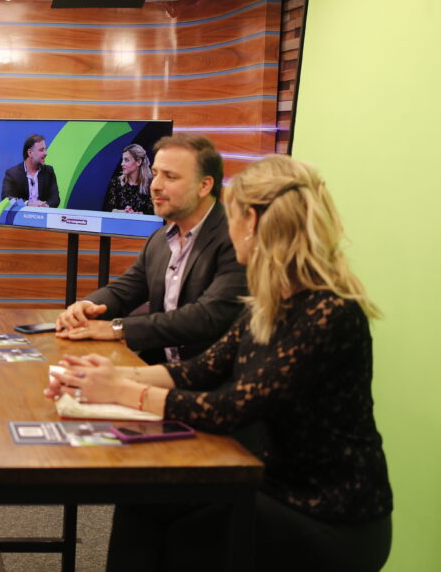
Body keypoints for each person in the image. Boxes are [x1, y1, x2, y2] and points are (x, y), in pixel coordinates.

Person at [47, 155, 392, 572]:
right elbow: (200, 370)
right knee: (143, 502)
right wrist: (98, 378)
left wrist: (123, 392)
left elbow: (230, 407)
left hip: (329, 513)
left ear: (251, 221)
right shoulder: (270, 303)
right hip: (271, 485)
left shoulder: (329, 313)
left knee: (191, 538)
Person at [56, 134, 246, 364]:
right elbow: (123, 292)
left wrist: (118, 328)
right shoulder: (159, 239)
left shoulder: (237, 238)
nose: (155, 185)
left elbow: (206, 317)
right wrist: (85, 307)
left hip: (211, 376)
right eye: (155, 174)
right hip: (156, 367)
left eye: (170, 177)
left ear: (204, 185)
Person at [0, 134, 60, 208]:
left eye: (45, 149)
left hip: (43, 214)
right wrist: (27, 203)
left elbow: (55, 199)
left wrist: (44, 206)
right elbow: (6, 199)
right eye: (41, 150)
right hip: (20, 214)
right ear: (30, 153)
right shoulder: (12, 173)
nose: (46, 153)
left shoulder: (49, 171)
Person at [103, 143, 154, 215]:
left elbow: (154, 212)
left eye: (126, 160)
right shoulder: (116, 182)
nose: (122, 164)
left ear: (138, 162)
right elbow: (108, 209)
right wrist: (124, 212)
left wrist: (137, 214)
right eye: (122, 160)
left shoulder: (151, 185)